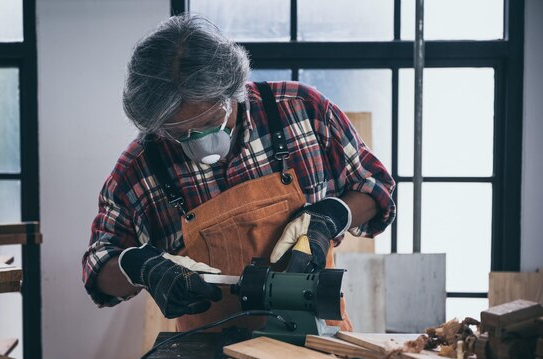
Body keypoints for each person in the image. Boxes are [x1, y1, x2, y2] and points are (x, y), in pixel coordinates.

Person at [82, 14, 396, 332]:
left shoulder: (301, 110)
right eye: (179, 133)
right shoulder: (141, 168)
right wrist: (139, 266)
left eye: (208, 123)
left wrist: (328, 219)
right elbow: (97, 267)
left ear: (233, 89)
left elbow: (375, 188)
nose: (198, 142)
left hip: (316, 342)